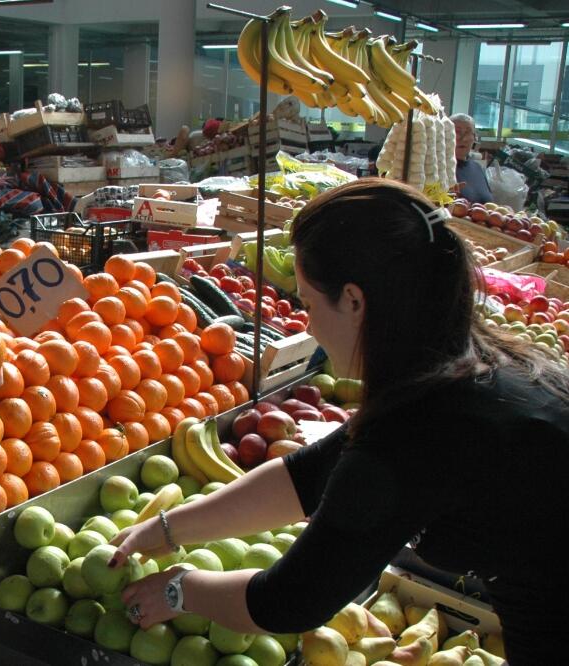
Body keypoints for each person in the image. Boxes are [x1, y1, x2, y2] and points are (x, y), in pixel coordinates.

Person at [108, 178, 568, 665]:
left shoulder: (421, 431)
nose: (307, 324)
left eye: (308, 303)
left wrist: (180, 590)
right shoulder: (475, 372)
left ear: (353, 299)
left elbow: (292, 600)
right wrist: (166, 528)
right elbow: (309, 474)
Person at [451, 113, 493, 204]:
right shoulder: (439, 168)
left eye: (468, 132)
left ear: (474, 138)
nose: (463, 138)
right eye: (457, 132)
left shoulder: (477, 168)